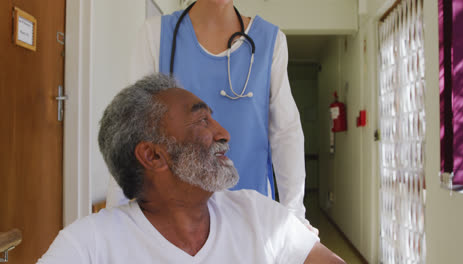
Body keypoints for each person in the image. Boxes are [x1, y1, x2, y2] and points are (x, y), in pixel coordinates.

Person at [38, 74, 342, 264]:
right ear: (154, 156)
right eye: (202, 121)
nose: (224, 133)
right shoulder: (90, 245)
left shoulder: (259, 216)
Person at [107, 0, 309, 226]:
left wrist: (295, 218)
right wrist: (116, 217)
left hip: (252, 218)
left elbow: (285, 135)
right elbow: (130, 133)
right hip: (174, 220)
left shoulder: (271, 41)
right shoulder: (155, 35)